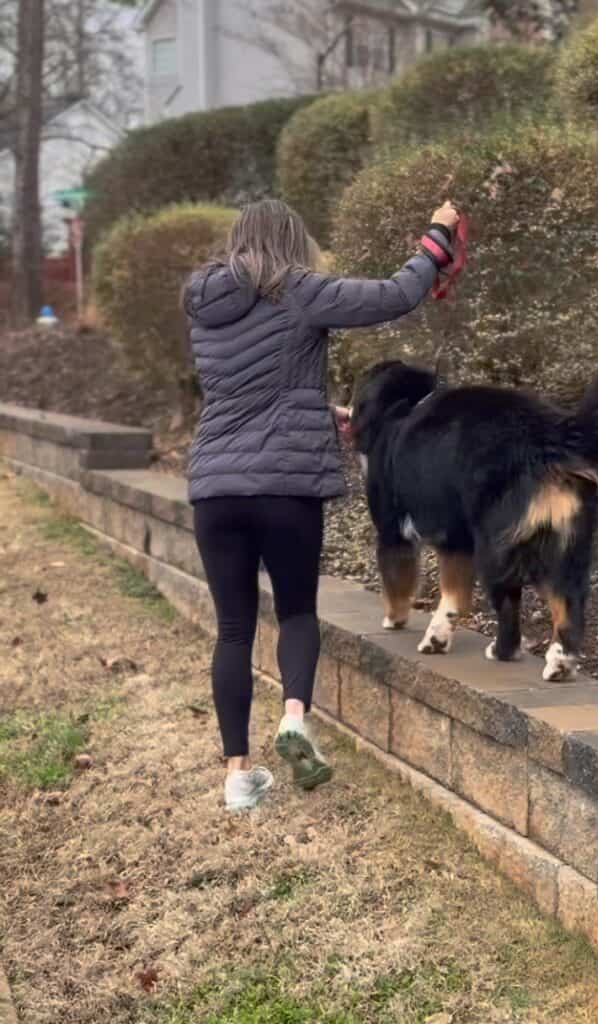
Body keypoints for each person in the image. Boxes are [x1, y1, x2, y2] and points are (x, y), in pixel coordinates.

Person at [183, 197, 459, 812]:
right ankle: (294, 720)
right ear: (291, 241)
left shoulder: (204, 302)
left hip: (216, 489)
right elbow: (396, 293)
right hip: (285, 488)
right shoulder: (298, 289)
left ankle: (237, 777)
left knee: (232, 629)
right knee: (296, 613)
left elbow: (245, 390)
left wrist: (315, 409)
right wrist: (438, 236)